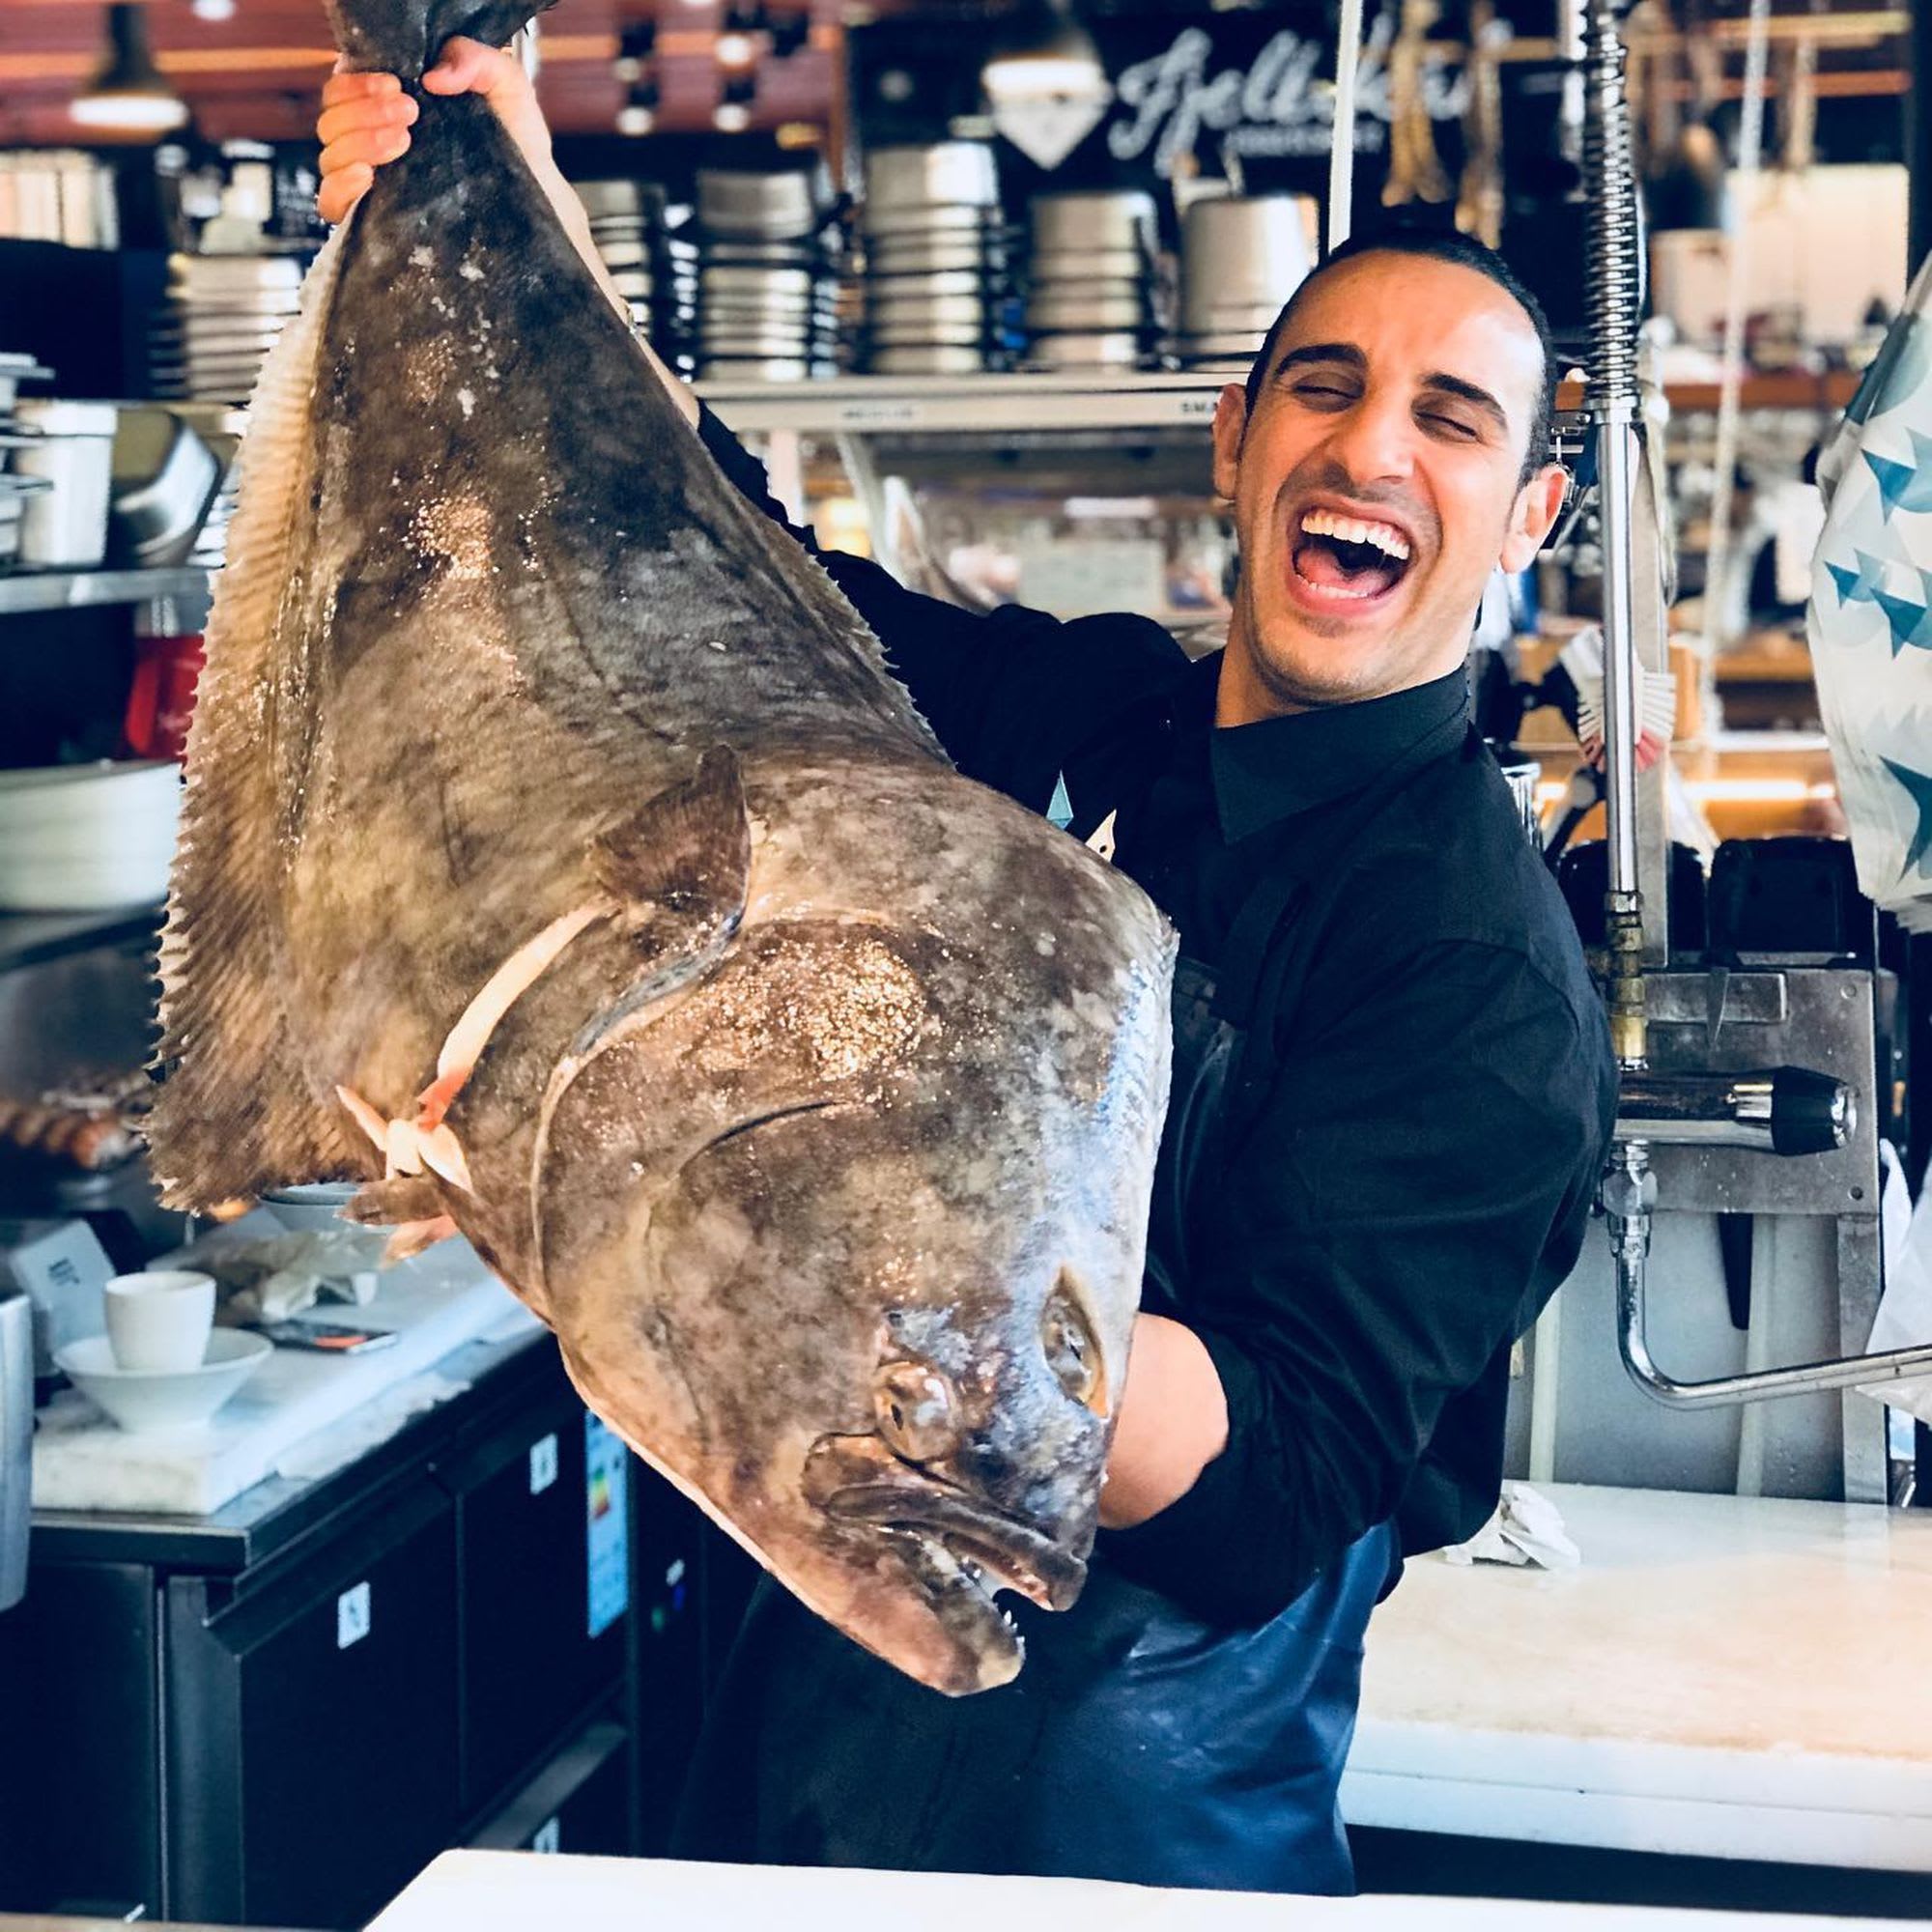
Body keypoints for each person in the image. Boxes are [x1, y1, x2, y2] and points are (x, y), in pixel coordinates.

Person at [316, 45, 1618, 1896]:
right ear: (1236, 441)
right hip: (791, 1707)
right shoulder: (1084, 713)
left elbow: (1272, 1485)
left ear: (1528, 515)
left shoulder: (1481, 978)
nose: (1372, 447)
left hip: (1119, 1812)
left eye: (1451, 418)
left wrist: (855, 1260)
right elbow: (729, 569)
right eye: (1322, 389)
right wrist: (514, 204)